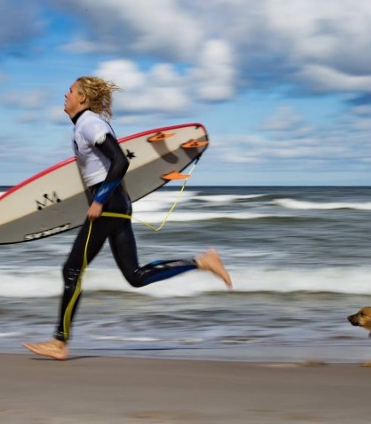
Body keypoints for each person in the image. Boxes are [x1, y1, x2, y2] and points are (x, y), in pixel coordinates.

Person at [22, 76, 232, 360]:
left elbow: (120, 161)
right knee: (134, 276)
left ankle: (60, 342)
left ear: (82, 98)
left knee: (71, 269)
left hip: (108, 203)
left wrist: (98, 199)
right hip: (117, 203)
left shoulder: (88, 123)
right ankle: (201, 261)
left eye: (70, 91)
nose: (66, 94)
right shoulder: (86, 124)